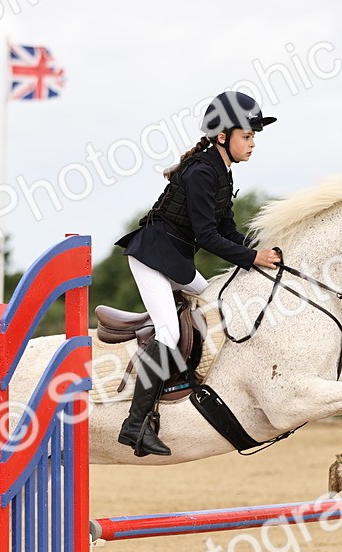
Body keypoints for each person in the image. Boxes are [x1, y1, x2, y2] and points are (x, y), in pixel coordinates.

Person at [113, 90, 283, 457]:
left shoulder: (221, 171)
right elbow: (207, 237)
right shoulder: (202, 172)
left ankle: (186, 385)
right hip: (151, 258)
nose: (253, 143)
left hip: (174, 261)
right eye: (247, 136)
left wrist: (262, 254)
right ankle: (135, 424)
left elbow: (227, 230)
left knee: (216, 307)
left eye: (253, 136)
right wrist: (252, 257)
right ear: (222, 136)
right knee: (169, 331)